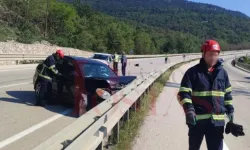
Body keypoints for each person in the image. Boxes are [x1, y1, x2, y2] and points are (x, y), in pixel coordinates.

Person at [177, 40, 234, 150]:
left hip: (217, 123)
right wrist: (189, 110)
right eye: (210, 54)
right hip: (197, 122)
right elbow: (184, 93)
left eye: (216, 54)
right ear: (203, 54)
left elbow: (227, 95)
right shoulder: (192, 73)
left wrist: (230, 111)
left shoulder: (223, 73)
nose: (213, 57)